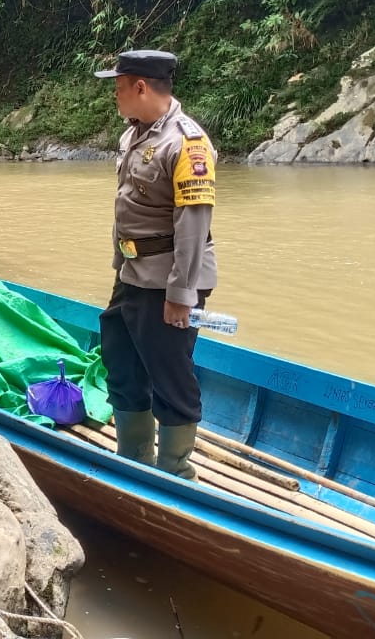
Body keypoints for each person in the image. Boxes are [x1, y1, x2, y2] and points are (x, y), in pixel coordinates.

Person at [94, 50, 217, 480]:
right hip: (133, 273)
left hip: (170, 280)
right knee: (121, 360)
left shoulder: (186, 144)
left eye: (119, 87)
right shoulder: (134, 135)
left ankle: (175, 473)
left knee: (170, 375)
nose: (116, 96)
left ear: (141, 87)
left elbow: (193, 224)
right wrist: (119, 264)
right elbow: (127, 206)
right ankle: (134, 459)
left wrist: (181, 295)